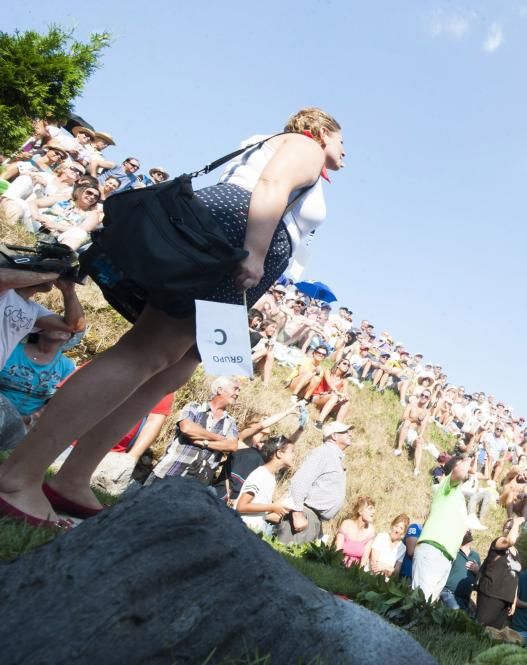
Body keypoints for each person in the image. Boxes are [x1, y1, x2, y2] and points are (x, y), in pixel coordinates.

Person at [0, 107, 346, 526]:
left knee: (173, 368)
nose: (344, 151)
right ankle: (18, 477)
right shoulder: (304, 145)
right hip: (238, 237)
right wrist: (254, 251)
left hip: (242, 244)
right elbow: (272, 184)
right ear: (322, 132)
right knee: (146, 352)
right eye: (341, 141)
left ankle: (73, 477)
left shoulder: (294, 149)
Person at [145, 377, 241, 485]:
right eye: (235, 389)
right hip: (169, 472)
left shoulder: (230, 422)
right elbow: (187, 428)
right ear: (220, 390)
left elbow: (232, 445)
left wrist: (204, 442)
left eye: (239, 390)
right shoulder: (194, 407)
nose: (237, 393)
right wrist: (219, 438)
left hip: (196, 484)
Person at [275, 420, 354, 544]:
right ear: (334, 436)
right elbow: (300, 482)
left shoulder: (333, 456)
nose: (350, 434)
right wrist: (297, 514)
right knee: (285, 555)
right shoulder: (323, 453)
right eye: (345, 431)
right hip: (305, 516)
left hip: (312, 519)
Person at [412, 454, 473, 602]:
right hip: (433, 548)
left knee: (429, 605)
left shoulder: (458, 497)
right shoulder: (446, 485)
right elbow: (458, 472)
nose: (467, 469)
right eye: (461, 465)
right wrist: (470, 458)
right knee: (420, 601)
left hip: (446, 555)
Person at [0, 329, 76, 422]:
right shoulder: (10, 350)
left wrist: (30, 418)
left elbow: (60, 402)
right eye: (59, 326)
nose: (65, 329)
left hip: (27, 425)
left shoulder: (67, 366)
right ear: (40, 330)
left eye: (70, 329)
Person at [234, 436, 295, 536]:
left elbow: (258, 506)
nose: (294, 455)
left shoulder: (270, 477)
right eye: (292, 451)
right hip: (242, 531)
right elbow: (241, 506)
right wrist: (273, 506)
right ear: (279, 453)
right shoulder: (261, 474)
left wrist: (275, 510)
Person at [475, 534, 521, 629]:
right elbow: (509, 540)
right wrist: (516, 522)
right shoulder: (498, 543)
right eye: (508, 527)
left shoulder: (516, 552)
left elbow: (516, 577)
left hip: (506, 599)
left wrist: (514, 600)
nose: (509, 530)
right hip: (491, 594)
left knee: (493, 634)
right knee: (479, 628)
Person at [440, 530, 480, 611]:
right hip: (449, 593)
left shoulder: (476, 556)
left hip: (465, 599)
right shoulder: (452, 552)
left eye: (469, 530)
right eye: (465, 529)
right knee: (456, 610)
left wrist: (477, 570)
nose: (468, 531)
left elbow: (480, 579)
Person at [335, 495, 376, 568]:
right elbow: (337, 550)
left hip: (354, 570)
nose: (374, 512)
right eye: (370, 509)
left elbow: (364, 559)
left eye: (374, 509)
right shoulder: (346, 524)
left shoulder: (371, 530)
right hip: (339, 565)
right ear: (360, 511)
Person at [369, 513, 409, 580]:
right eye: (396, 526)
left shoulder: (402, 548)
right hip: (371, 577)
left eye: (401, 528)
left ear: (403, 532)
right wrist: (390, 569)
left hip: (387, 583)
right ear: (392, 526)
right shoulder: (381, 537)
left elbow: (396, 573)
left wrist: (384, 566)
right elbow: (374, 564)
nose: (397, 530)